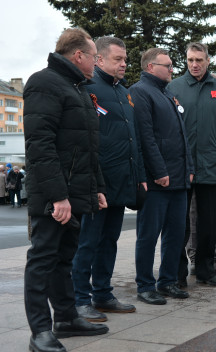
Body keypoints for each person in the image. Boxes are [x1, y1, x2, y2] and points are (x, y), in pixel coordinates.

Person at [23, 28, 109, 352]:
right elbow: (40, 146)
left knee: (64, 258)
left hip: (74, 192)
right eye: (94, 56)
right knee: (43, 259)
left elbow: (87, 148)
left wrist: (96, 188)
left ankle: (67, 317)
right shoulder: (44, 83)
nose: (96, 62)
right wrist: (58, 196)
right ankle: (40, 330)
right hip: (53, 195)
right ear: (78, 56)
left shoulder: (78, 88)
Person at [71, 36, 147, 322]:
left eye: (125, 59)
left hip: (121, 181)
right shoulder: (88, 89)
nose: (124, 64)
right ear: (99, 59)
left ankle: (102, 293)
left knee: (109, 241)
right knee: (87, 242)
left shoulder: (124, 93)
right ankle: (80, 299)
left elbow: (134, 139)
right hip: (96, 184)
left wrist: (139, 177)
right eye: (118, 59)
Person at [167, 42, 216, 286]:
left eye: (199, 60)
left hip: (211, 166)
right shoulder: (174, 87)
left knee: (208, 223)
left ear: (208, 61)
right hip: (181, 167)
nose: (195, 65)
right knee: (180, 223)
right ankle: (177, 273)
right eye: (190, 60)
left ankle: (206, 270)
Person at [130, 48, 195, 304]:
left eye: (171, 65)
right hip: (159, 182)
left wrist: (189, 168)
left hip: (178, 180)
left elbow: (182, 138)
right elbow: (146, 137)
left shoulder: (167, 94)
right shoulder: (140, 92)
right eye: (167, 65)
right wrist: (158, 172)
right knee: (148, 235)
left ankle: (167, 281)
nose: (172, 69)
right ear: (150, 67)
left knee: (176, 234)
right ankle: (145, 285)